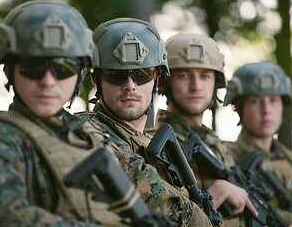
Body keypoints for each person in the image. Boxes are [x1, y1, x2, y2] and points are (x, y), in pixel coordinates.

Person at [0, 0, 131, 227]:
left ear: (80, 73)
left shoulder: (89, 137)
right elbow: (0, 218)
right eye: (33, 67)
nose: (48, 82)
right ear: (9, 70)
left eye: (63, 67)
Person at [79, 18, 213, 226]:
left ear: (157, 78)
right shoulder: (82, 130)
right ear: (96, 79)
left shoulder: (151, 145)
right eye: (116, 75)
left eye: (141, 75)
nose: (130, 85)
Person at [149, 33, 259, 226]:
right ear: (164, 82)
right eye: (184, 75)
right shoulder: (151, 144)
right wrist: (212, 196)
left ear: (216, 83)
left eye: (205, 76)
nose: (196, 86)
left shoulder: (216, 144)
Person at [223, 61, 292, 227]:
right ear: (238, 107)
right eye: (255, 101)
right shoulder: (225, 156)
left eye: (273, 100)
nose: (266, 110)